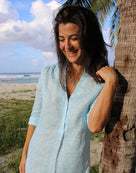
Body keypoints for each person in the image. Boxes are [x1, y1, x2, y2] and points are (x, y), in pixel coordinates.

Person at [19, 5, 118, 173]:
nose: (67, 46)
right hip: (36, 162)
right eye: (61, 39)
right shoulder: (48, 74)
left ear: (88, 37)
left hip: (73, 167)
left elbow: (94, 126)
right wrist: (25, 155)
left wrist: (111, 83)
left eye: (74, 38)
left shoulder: (98, 81)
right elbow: (36, 116)